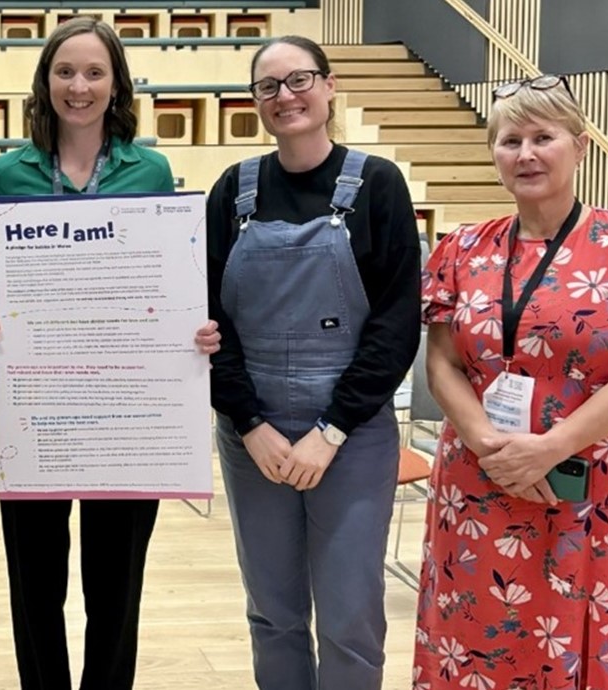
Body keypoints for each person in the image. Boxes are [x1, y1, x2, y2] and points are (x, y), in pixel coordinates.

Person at [0, 18, 218, 689]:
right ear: (45, 82)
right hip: (35, 407)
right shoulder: (8, 172)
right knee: (35, 584)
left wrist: (191, 328)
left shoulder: (152, 170)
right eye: (65, 72)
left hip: (128, 412)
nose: (78, 87)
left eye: (94, 73)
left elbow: (172, 278)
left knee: (116, 586)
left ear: (116, 85)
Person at [415, 74, 608, 689]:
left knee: (595, 631)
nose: (525, 154)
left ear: (580, 146)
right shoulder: (461, 248)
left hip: (595, 479)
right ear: (493, 153)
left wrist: (548, 450)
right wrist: (493, 448)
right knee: (478, 633)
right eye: (509, 140)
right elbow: (443, 363)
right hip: (481, 477)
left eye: (543, 137)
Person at [205, 35, 420, 690]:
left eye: (299, 80)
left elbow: (395, 325)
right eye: (268, 87)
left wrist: (330, 431)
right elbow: (209, 327)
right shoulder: (231, 191)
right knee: (272, 612)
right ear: (255, 102)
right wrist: (248, 421)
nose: (285, 96)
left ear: (328, 88)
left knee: (351, 616)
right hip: (255, 437)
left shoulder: (377, 184)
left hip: (350, 438)